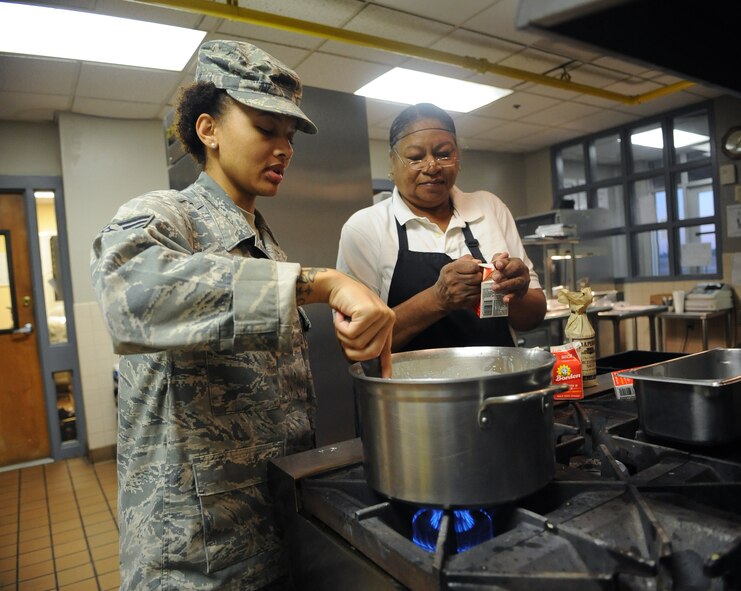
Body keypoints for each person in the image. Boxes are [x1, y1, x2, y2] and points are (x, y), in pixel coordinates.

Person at [90, 40, 394, 591]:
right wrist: (319, 282)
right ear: (208, 130)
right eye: (265, 128)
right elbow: (128, 299)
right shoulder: (164, 215)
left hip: (272, 539)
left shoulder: (265, 247)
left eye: (290, 136)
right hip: (197, 562)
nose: (284, 149)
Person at [336, 102, 545, 352]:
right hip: (413, 391)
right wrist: (437, 298)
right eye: (415, 157)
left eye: (444, 153)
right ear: (392, 163)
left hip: (496, 384)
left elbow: (532, 318)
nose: (432, 166)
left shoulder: (489, 208)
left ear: (457, 158)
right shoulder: (365, 228)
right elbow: (357, 343)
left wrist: (517, 292)